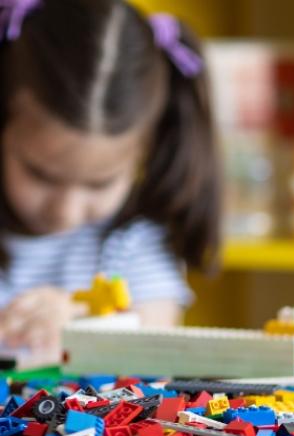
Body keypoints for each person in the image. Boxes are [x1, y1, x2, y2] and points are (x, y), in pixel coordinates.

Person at [0, 0, 219, 364]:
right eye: (40, 174)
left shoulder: (132, 244)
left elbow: (156, 341)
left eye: (99, 184)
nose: (64, 211)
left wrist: (82, 321)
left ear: (144, 156)